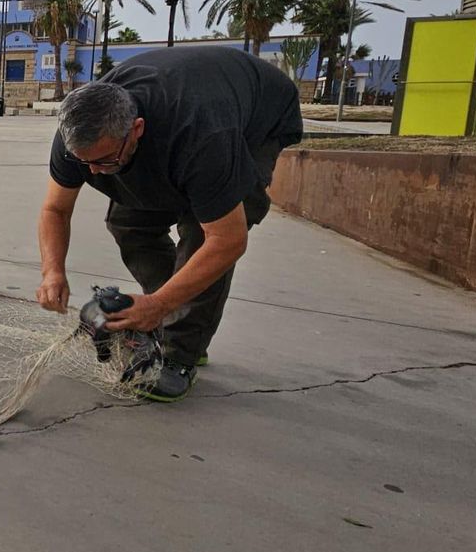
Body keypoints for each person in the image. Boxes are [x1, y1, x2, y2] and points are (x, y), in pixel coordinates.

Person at [35, 47, 303, 401]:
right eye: (84, 163)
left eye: (104, 160)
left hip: (256, 116)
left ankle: (181, 353)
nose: (94, 171)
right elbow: (55, 209)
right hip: (187, 103)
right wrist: (52, 272)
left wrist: (159, 304)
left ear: (137, 129)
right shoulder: (78, 137)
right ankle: (177, 318)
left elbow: (227, 240)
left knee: (200, 234)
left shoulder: (203, 136)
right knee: (128, 222)